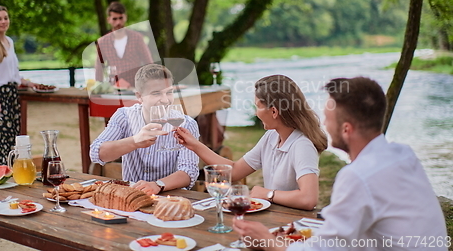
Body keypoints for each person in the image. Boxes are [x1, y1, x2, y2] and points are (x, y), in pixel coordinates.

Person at [233, 77, 448, 251]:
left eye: (328, 118)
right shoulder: (403, 155)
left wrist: (268, 240)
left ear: (346, 129)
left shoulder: (358, 175)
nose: (323, 124)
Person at [175, 75, 328, 210]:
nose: (256, 112)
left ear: (274, 111)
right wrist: (194, 145)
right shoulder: (271, 137)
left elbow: (308, 199)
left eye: (258, 107)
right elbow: (234, 171)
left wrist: (268, 194)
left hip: (293, 225)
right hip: (274, 217)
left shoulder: (302, 145)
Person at [89, 63, 200, 195]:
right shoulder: (124, 116)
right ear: (139, 96)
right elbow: (96, 153)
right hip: (131, 196)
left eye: (169, 92)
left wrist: (158, 185)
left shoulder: (186, 124)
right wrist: (135, 141)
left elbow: (189, 171)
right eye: (156, 93)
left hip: (171, 197)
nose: (165, 100)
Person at [0, 5, 36, 165]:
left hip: (12, 95)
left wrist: (28, 83)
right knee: (3, 145)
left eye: (5, 18)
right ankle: (4, 179)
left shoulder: (9, 41)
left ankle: (15, 180)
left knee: (16, 143)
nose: (3, 21)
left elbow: (14, 73)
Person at [95, 1, 153, 88]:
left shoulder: (137, 38)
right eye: (114, 19)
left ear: (125, 17)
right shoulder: (103, 42)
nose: (118, 22)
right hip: (114, 88)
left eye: (121, 18)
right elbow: (99, 67)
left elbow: (148, 63)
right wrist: (98, 88)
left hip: (136, 87)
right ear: (109, 20)